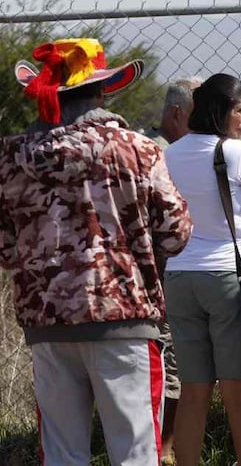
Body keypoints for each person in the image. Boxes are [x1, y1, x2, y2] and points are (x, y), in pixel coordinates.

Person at [0, 38, 193, 465]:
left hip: (47, 324)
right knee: (135, 452)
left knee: (62, 454)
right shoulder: (138, 149)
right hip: (125, 320)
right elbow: (176, 233)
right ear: (102, 91)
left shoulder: (12, 158)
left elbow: (6, 247)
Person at [163, 73, 241, 466]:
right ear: (220, 110)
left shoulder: (169, 154)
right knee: (238, 389)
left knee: (193, 389)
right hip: (229, 277)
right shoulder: (234, 152)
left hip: (180, 277)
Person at [146, 75, 203, 464]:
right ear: (178, 114)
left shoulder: (177, 151)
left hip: (179, 275)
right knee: (170, 365)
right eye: (202, 114)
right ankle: (163, 452)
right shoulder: (156, 154)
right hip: (161, 278)